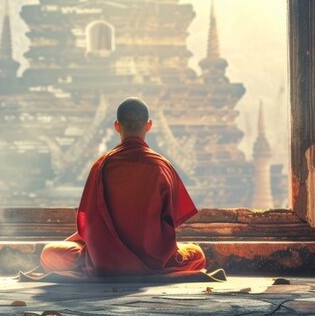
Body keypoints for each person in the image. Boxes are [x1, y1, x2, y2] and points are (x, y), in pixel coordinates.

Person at [39, 97, 206, 278]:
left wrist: (78, 244)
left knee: (49, 253)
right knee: (197, 254)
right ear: (149, 125)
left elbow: (90, 222)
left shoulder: (101, 165)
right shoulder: (162, 166)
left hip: (106, 262)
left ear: (117, 126)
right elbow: (171, 222)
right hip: (154, 261)